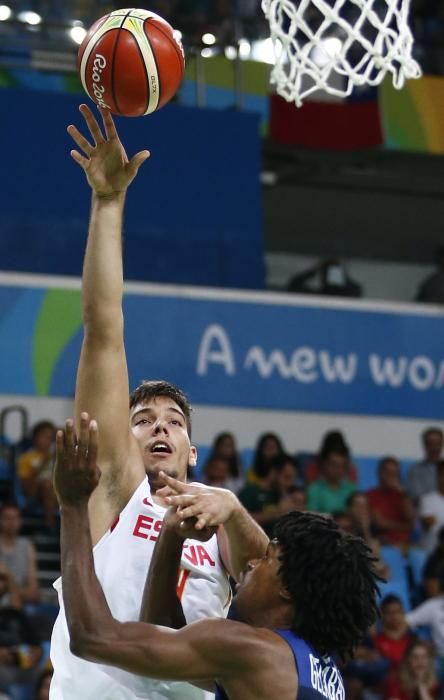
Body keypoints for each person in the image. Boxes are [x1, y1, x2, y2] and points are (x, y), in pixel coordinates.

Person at [49, 104, 268, 700]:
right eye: (143, 420)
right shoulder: (118, 489)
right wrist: (108, 204)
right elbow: (103, 329)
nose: (160, 427)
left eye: (174, 421)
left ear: (193, 451)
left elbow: (275, 581)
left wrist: (233, 512)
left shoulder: (221, 526)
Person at [53, 415, 381, 700]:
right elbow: (163, 633)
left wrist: (73, 504)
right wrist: (172, 535)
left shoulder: (250, 651)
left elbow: (91, 635)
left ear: (288, 588)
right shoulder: (320, 664)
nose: (250, 564)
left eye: (267, 559)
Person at [17, 420, 58, 531]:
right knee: (46, 484)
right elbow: (26, 487)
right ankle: (50, 526)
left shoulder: (55, 457)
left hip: (56, 494)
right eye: (44, 437)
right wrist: (42, 464)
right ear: (35, 437)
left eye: (50, 438)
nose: (47, 441)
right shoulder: (26, 458)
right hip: (34, 494)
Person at [366, 457, 415, 549]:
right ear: (379, 473)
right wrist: (403, 526)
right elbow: (379, 523)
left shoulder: (403, 496)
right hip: (381, 544)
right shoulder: (370, 496)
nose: (390, 477)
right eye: (387, 473)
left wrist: (403, 493)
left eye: (394, 474)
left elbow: (412, 523)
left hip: (403, 546)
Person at [0, 503, 40, 604]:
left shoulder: (27, 546)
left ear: (20, 521)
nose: (11, 522)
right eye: (7, 518)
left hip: (18, 606)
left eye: (15, 518)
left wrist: (9, 580)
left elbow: (33, 592)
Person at [306, 448, 356, 515]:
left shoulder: (351, 489)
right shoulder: (314, 489)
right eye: (334, 465)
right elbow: (312, 514)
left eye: (342, 466)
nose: (338, 469)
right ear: (325, 465)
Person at [406, 428, 443, 503]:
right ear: (425, 445)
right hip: (424, 512)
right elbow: (416, 496)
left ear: (442, 445)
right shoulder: (415, 470)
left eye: (437, 444)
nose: (434, 448)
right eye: (431, 444)